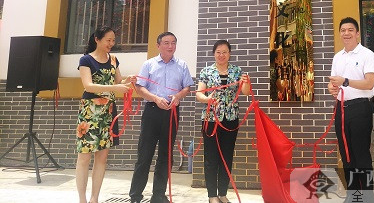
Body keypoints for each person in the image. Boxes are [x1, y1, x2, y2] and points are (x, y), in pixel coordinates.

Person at [129, 32, 194, 203]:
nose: (170, 46)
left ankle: (158, 196)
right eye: (166, 43)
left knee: (166, 156)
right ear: (158, 45)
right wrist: (155, 98)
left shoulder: (182, 65)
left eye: (173, 43)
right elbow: (140, 88)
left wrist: (178, 96)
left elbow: (187, 87)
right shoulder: (149, 64)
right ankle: (135, 196)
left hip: (171, 114)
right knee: (144, 155)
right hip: (152, 112)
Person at [76, 26, 136, 203]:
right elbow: (88, 86)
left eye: (113, 40)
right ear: (97, 39)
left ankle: (94, 198)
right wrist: (115, 88)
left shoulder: (114, 59)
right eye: (108, 40)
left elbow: (119, 81)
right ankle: (82, 199)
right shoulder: (86, 60)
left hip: (108, 112)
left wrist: (128, 80)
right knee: (84, 157)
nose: (111, 43)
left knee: (102, 158)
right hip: (89, 111)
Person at [328, 17, 374, 203]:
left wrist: (345, 81)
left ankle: (368, 197)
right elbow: (334, 82)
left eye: (350, 30)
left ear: (357, 33)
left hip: (360, 108)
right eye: (343, 30)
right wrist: (331, 88)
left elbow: (369, 83)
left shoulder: (367, 54)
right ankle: (352, 195)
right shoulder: (337, 56)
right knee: (346, 154)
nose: (346, 33)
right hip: (341, 109)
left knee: (361, 155)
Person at [196, 40, 251, 203]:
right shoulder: (206, 71)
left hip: (231, 119)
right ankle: (212, 195)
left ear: (230, 54)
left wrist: (246, 82)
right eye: (218, 52)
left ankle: (222, 193)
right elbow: (199, 94)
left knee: (227, 156)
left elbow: (245, 92)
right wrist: (207, 99)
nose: (221, 55)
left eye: (225, 52)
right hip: (211, 119)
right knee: (211, 157)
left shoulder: (237, 71)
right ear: (214, 53)